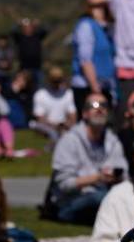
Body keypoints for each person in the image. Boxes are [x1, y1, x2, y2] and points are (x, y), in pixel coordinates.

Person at [48, 93, 127, 224]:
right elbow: (64, 184)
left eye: (104, 105)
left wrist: (116, 177)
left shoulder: (112, 141)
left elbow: (124, 176)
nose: (99, 109)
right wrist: (98, 178)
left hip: (103, 194)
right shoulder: (69, 141)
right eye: (94, 106)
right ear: (84, 113)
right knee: (103, 198)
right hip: (70, 202)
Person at [70, 0, 116, 114]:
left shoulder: (108, 27)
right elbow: (85, 59)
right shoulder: (86, 25)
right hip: (88, 86)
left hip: (106, 84)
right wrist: (95, 87)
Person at [30, 66, 76, 142]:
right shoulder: (40, 94)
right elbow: (40, 119)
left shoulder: (68, 93)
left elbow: (73, 116)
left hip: (63, 125)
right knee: (52, 133)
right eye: (55, 80)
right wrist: (56, 126)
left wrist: (66, 124)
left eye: (58, 80)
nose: (57, 83)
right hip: (46, 126)